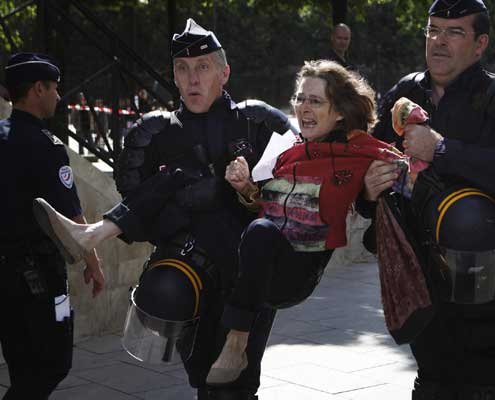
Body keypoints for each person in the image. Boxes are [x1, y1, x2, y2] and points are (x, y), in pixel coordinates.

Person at [32, 19, 294, 400]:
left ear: (224, 72)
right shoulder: (156, 132)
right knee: (204, 379)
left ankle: (93, 234)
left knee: (237, 387)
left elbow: (295, 203)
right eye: (182, 69)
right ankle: (93, 234)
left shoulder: (257, 123)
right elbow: (144, 224)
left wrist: (248, 192)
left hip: (244, 273)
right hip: (187, 269)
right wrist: (184, 201)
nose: (192, 79)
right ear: (173, 75)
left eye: (203, 67)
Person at [360, 1, 495, 399]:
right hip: (422, 286)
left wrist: (443, 150)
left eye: (454, 32)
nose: (439, 41)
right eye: (433, 30)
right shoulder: (404, 94)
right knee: (432, 384)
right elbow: (369, 170)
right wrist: (368, 190)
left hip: (490, 294)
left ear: (479, 44)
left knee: (480, 387)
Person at [204, 59, 405, 384]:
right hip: (257, 264)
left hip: (298, 271)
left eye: (315, 101)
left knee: (259, 233)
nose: (303, 108)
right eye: (300, 99)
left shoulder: (362, 149)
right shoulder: (287, 152)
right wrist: (247, 189)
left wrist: (370, 192)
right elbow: (266, 209)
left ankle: (236, 340)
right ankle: (232, 362)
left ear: (339, 111)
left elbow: (409, 171)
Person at [0, 52, 105, 400]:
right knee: (53, 363)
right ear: (36, 90)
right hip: (39, 278)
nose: (59, 97)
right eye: (54, 89)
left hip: (5, 278)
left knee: (21, 365)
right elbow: (75, 218)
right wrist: (94, 263)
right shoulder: (47, 147)